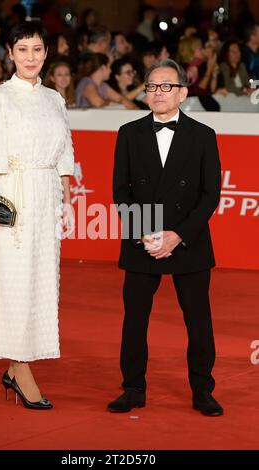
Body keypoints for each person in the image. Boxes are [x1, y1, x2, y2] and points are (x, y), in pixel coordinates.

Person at [108, 59, 223, 417]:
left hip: (188, 239)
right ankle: (133, 388)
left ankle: (203, 390)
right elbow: (120, 192)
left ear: (183, 93)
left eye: (166, 86)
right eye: (152, 86)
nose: (158, 92)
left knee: (198, 320)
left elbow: (210, 195)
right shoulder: (128, 132)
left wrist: (177, 234)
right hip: (143, 238)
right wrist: (146, 233)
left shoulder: (203, 136)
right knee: (135, 320)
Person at [0, 21, 74, 410]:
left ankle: (18, 367)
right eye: (22, 50)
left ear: (46, 53)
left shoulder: (55, 99)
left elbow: (65, 153)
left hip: (46, 195)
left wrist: (66, 200)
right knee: (15, 282)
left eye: (37, 49)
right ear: (10, 54)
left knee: (41, 282)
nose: (30, 57)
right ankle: (20, 366)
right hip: (11, 192)